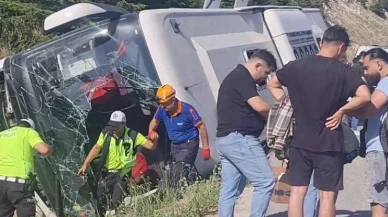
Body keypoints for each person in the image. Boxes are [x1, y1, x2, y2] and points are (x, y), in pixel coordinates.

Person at [267, 25, 370, 217]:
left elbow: (272, 83)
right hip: (329, 142)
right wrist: (342, 110)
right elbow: (364, 96)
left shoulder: (296, 66)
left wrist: (288, 104)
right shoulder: (344, 72)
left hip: (299, 140)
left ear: (321, 43)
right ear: (341, 48)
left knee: (297, 192)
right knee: (327, 197)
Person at [216, 49, 277, 217]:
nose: (265, 79)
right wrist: (281, 113)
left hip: (225, 140)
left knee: (230, 191)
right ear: (257, 65)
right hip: (239, 138)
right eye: (266, 73)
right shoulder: (242, 77)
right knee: (265, 182)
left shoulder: (235, 77)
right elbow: (260, 107)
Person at [78, 111, 157, 214]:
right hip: (107, 173)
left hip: (122, 173)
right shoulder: (106, 133)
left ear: (124, 124)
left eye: (116, 125)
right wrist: (86, 163)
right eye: (112, 125)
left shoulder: (133, 135)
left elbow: (151, 146)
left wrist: (155, 138)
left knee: (116, 201)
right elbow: (97, 147)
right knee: (99, 199)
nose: (113, 128)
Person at [351, 48, 388, 217]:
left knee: (378, 203)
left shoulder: (385, 83)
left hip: (380, 148)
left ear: (379, 64)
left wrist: (346, 109)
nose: (365, 72)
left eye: (367, 67)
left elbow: (368, 111)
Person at [148, 84, 211, 184]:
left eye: (166, 104)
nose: (164, 107)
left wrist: (206, 147)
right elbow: (154, 121)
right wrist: (151, 131)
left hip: (189, 144)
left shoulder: (188, 110)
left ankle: (180, 192)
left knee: (179, 173)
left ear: (173, 100)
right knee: (169, 174)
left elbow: (202, 126)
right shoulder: (162, 109)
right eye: (162, 104)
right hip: (175, 146)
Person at [0, 118, 53, 217]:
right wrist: (50, 149)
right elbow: (44, 150)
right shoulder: (28, 132)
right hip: (18, 185)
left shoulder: (2, 134)